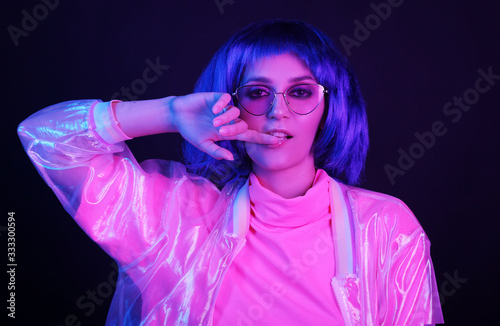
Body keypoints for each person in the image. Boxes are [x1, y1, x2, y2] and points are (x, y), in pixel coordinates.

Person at [18, 20, 444, 325]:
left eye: (300, 92)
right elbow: (46, 138)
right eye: (257, 93)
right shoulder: (175, 219)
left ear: (331, 107)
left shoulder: (386, 227)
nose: (278, 112)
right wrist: (168, 111)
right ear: (229, 103)